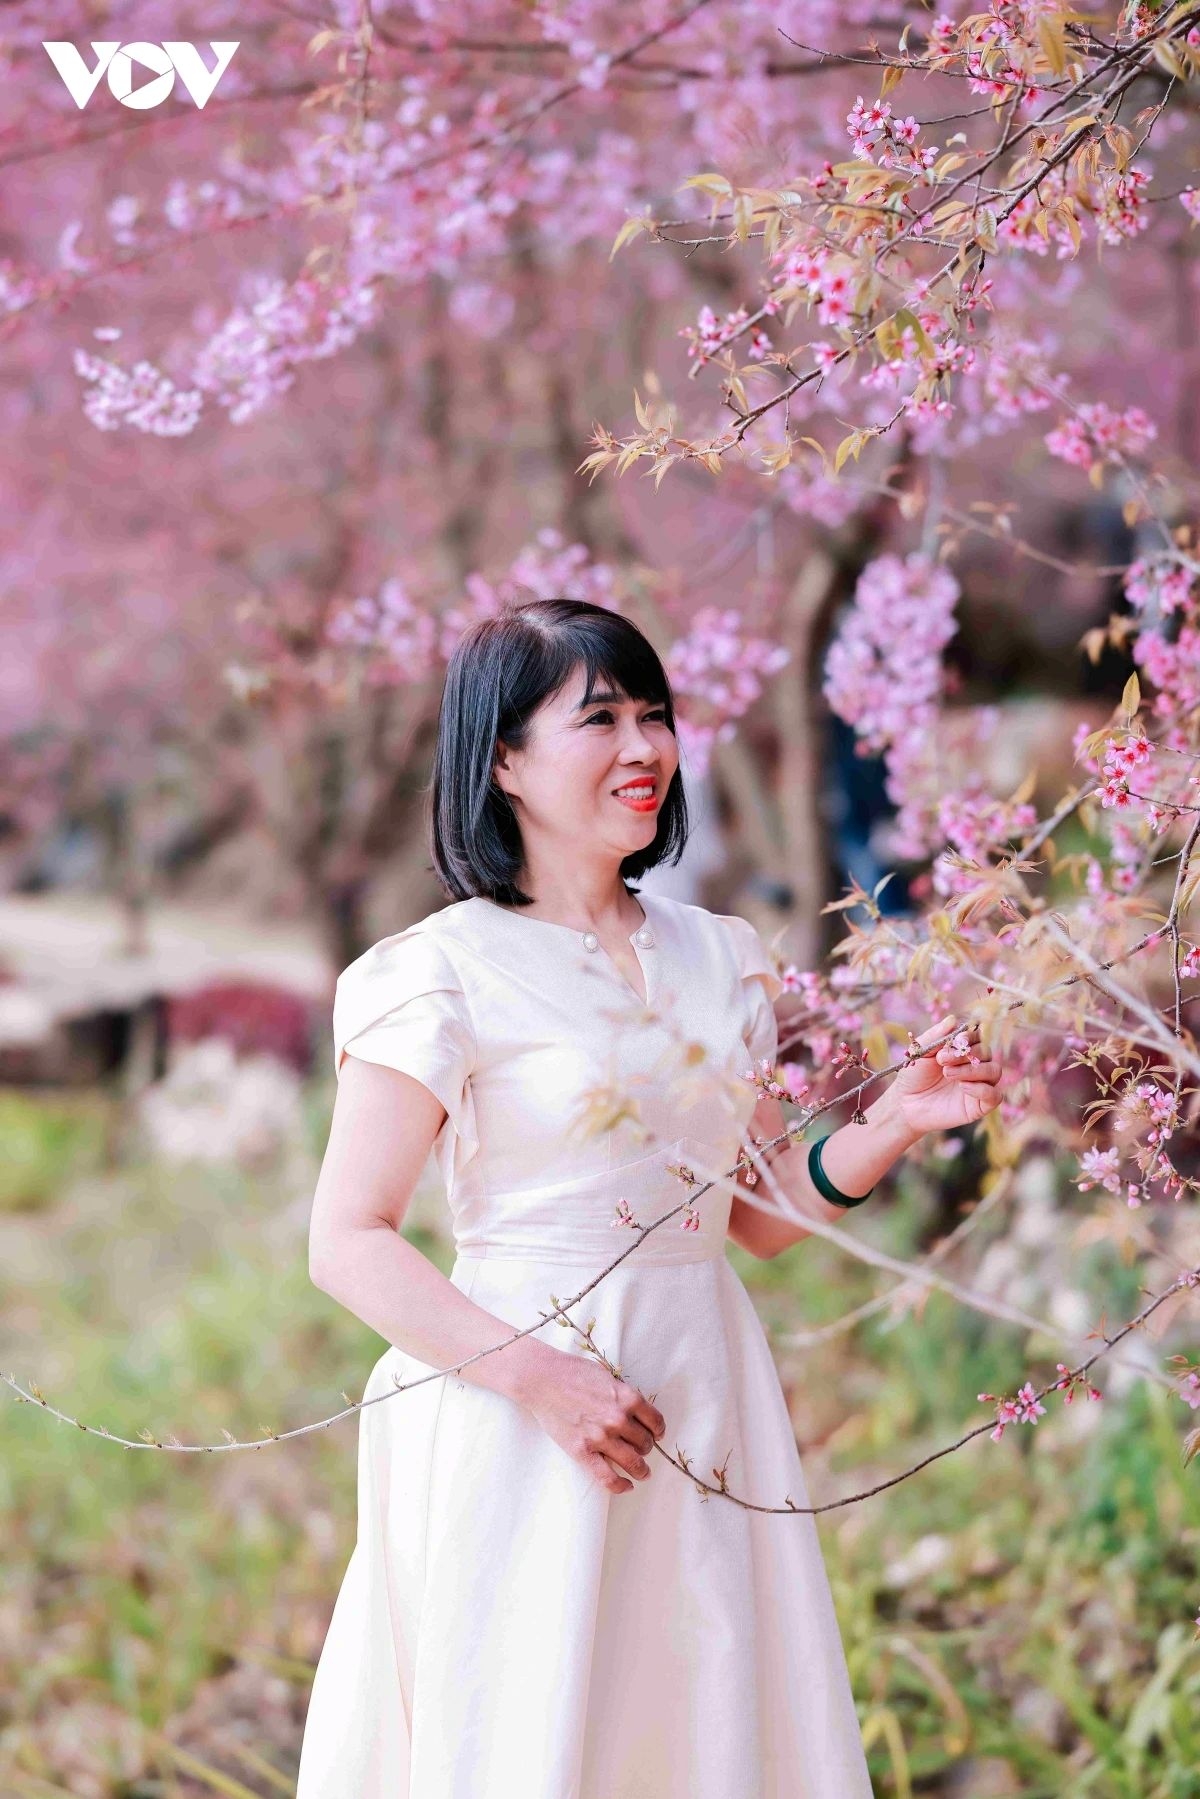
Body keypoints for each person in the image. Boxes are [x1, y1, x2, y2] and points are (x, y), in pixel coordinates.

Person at [296, 597, 1002, 1798]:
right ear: (505, 760)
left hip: (703, 1380)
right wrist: (540, 1378)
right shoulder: (439, 972)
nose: (646, 749)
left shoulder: (721, 953)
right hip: (514, 1407)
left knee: (699, 1722)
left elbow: (760, 1211)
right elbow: (346, 1240)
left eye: (657, 716)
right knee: (525, 1727)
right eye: (602, 719)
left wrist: (886, 1126)